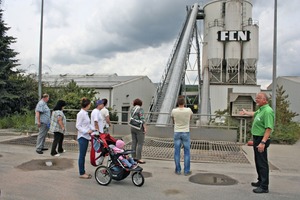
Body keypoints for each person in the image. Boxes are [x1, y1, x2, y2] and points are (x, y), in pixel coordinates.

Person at [240, 92, 274, 194]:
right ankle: (260, 180)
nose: (256, 99)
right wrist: (246, 112)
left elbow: (268, 128)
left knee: (262, 162)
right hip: (257, 138)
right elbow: (254, 113)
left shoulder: (268, 111)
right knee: (258, 161)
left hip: (261, 139)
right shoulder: (261, 109)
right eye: (256, 98)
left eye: (259, 98)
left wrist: (263, 142)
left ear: (265, 100)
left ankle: (264, 186)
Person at [171, 96, 193, 176]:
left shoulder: (174, 111)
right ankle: (186, 171)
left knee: (177, 152)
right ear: (184, 102)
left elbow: (173, 120)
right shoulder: (188, 110)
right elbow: (190, 118)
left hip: (177, 131)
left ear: (178, 102)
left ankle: (178, 170)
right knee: (187, 152)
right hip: (186, 132)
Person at [76, 97, 93, 179]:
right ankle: (82, 173)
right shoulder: (81, 114)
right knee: (82, 155)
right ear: (87, 105)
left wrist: (92, 129)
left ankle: (83, 171)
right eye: (90, 104)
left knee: (83, 155)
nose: (90, 105)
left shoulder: (85, 113)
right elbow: (78, 126)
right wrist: (86, 131)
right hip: (82, 136)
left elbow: (87, 124)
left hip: (86, 136)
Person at [130, 98, 147, 164]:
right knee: (140, 143)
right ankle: (139, 158)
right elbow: (142, 119)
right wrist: (145, 128)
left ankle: (133, 157)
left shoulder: (132, 109)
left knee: (134, 142)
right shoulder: (140, 109)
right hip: (139, 127)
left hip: (132, 127)